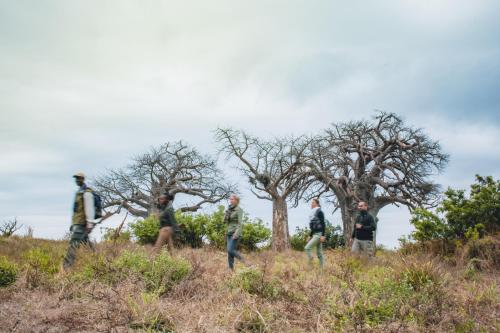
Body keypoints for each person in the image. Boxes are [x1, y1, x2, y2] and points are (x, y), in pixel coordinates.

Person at [62, 172, 97, 269]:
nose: (77, 180)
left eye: (79, 178)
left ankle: (66, 268)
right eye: (76, 178)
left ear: (83, 179)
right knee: (87, 244)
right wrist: (73, 224)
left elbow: (89, 208)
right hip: (78, 223)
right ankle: (98, 260)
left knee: (73, 244)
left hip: (82, 224)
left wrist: (90, 223)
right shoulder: (79, 192)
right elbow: (77, 211)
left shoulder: (87, 192)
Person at [224, 194, 245, 270]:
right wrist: (227, 213)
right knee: (229, 253)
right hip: (229, 233)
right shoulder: (229, 209)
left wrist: (236, 234)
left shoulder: (239, 210)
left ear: (236, 201)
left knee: (230, 250)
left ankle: (246, 262)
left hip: (235, 233)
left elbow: (240, 223)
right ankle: (230, 269)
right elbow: (225, 221)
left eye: (232, 199)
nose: (231, 200)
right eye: (230, 199)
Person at [304, 198, 326, 268]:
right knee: (319, 253)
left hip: (319, 234)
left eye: (313, 202)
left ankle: (311, 260)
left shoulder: (319, 212)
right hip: (315, 234)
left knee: (307, 248)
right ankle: (321, 269)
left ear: (316, 204)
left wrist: (323, 235)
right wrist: (310, 236)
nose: (311, 204)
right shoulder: (313, 213)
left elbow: (323, 224)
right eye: (311, 202)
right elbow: (313, 227)